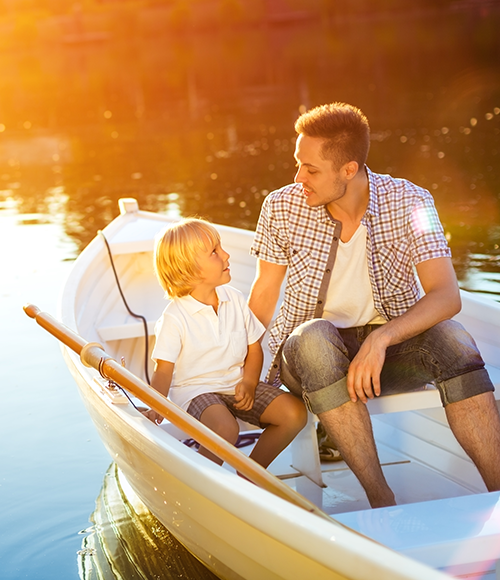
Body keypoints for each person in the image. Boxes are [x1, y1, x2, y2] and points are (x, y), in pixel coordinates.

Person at [248, 102, 500, 507]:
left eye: (311, 169)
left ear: (349, 169)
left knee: (453, 339)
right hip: (304, 356)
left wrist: (380, 340)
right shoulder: (281, 206)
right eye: (298, 165)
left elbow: (446, 294)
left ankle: (499, 488)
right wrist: (240, 372)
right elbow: (263, 294)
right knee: (314, 338)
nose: (299, 179)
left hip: (384, 357)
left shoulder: (414, 202)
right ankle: (380, 496)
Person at [143, 218, 307, 469]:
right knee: (225, 428)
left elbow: (254, 348)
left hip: (236, 385)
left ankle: (250, 477)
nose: (226, 255)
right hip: (197, 391)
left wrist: (250, 382)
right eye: (214, 252)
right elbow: (163, 370)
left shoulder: (235, 299)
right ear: (189, 269)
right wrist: (155, 406)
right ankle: (202, 482)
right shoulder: (174, 318)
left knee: (294, 414)